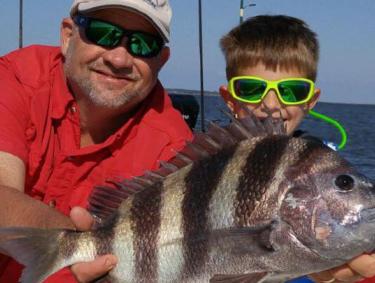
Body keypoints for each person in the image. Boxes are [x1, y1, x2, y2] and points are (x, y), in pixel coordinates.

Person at [0, 0, 193, 282]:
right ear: (67, 37)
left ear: (160, 61)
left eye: (142, 44)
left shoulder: (175, 149)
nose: (119, 59)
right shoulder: (17, 78)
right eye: (103, 33)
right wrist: (82, 243)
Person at [219, 15, 375, 283]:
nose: (270, 104)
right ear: (230, 99)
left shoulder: (325, 172)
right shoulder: (203, 166)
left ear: (311, 100)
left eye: (291, 91)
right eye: (250, 89)